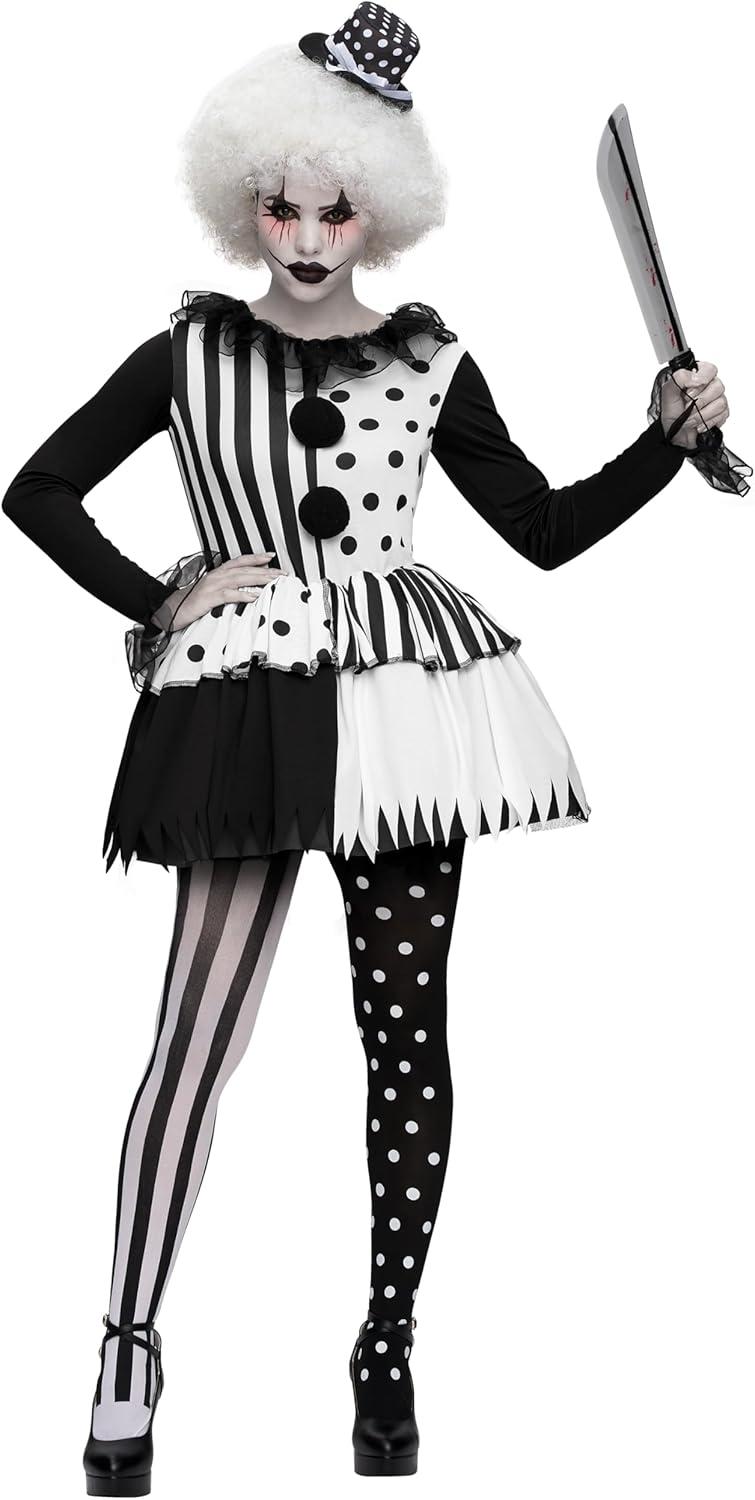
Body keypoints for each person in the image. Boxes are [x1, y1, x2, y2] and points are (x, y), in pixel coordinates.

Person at [1, 5, 734, 1487]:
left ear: (380, 206)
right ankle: (128, 1344)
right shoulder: (186, 356)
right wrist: (163, 594)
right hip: (248, 700)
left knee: (403, 1035)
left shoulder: (432, 359)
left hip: (403, 717)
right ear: (245, 195)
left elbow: (543, 530)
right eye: (283, 205)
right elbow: (39, 490)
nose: (308, 235)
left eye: (338, 209)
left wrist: (665, 443)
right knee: (192, 1040)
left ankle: (386, 1338)